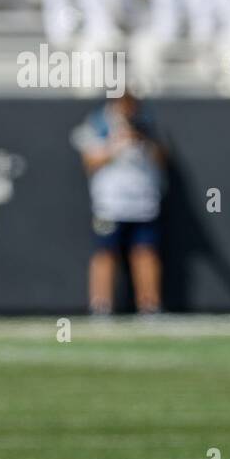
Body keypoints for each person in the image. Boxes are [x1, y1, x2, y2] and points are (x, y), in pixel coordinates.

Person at [70, 93, 167, 315]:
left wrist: (143, 141)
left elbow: (163, 158)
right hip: (110, 203)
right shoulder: (99, 123)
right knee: (105, 252)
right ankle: (101, 305)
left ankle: (150, 305)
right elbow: (90, 161)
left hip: (144, 202)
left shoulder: (147, 123)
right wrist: (116, 146)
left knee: (145, 252)